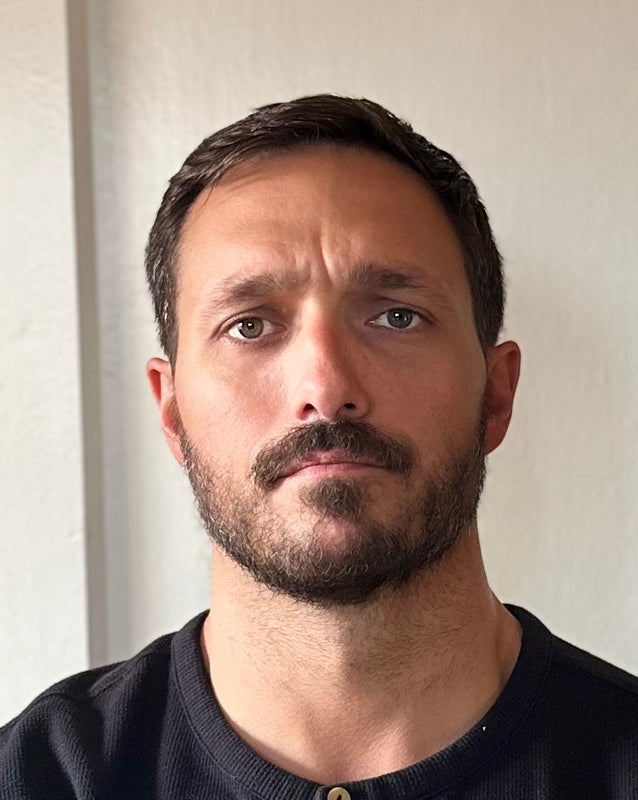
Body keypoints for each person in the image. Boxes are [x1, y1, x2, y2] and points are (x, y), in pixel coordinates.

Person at [1, 95, 637, 800]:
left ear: (495, 394)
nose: (327, 389)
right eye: (249, 325)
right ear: (172, 411)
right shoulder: (39, 778)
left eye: (397, 317)